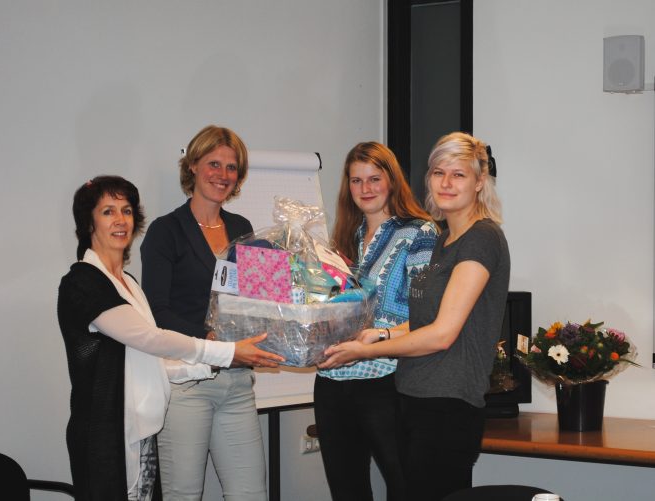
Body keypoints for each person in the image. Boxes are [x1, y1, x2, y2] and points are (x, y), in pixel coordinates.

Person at [57, 176, 282, 501]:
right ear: (88, 222)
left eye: (126, 211)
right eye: (108, 211)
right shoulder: (82, 281)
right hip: (105, 435)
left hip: (141, 432)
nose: (120, 220)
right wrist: (225, 351)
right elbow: (150, 339)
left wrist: (208, 367)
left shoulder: (128, 283)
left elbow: (152, 361)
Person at [320, 132, 510, 501]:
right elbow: (424, 321)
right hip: (415, 396)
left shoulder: (481, 237)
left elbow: (442, 334)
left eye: (458, 174)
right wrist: (381, 335)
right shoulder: (444, 241)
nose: (446, 183)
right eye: (439, 172)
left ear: (479, 182)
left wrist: (365, 350)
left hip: (448, 401)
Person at [140, 125, 268, 500]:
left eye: (231, 167)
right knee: (184, 495)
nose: (222, 175)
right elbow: (157, 312)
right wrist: (211, 341)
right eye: (214, 164)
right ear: (193, 165)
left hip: (237, 382)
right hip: (188, 383)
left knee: (251, 495)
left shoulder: (242, 228)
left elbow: (259, 303)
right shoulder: (166, 231)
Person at [314, 142, 438, 501]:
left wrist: (380, 337)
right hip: (332, 380)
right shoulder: (342, 241)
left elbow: (428, 316)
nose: (365, 189)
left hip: (386, 381)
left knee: (405, 488)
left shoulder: (420, 234)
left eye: (374, 179)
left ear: (392, 181)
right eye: (356, 180)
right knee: (346, 491)